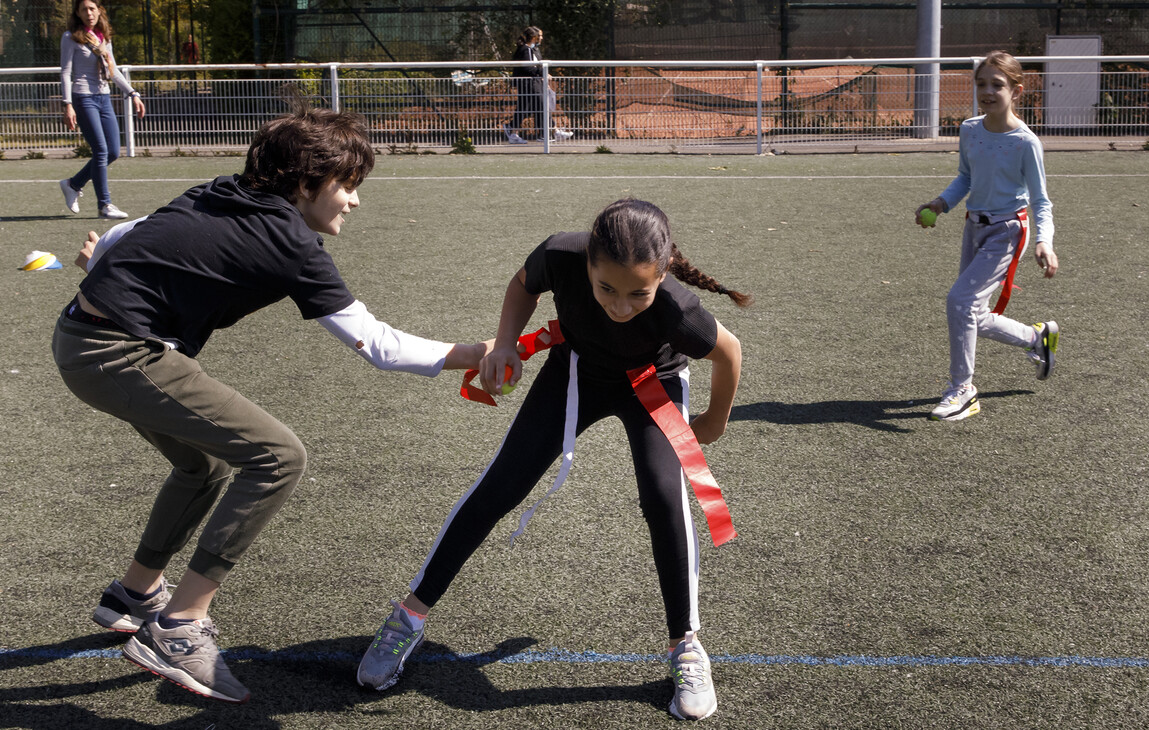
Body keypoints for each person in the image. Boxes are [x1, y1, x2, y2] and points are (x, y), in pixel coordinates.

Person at [53, 104, 490, 705]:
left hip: (83, 336)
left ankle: (132, 593)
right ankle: (179, 626)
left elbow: (131, 234)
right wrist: (477, 352)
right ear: (307, 184)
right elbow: (379, 346)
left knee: (201, 466)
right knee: (278, 456)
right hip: (117, 353)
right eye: (348, 186)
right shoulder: (292, 242)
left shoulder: (220, 190)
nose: (354, 202)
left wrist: (97, 262)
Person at [356, 199, 749, 721]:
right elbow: (522, 285)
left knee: (664, 497)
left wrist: (716, 419)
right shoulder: (561, 253)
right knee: (502, 484)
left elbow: (730, 351)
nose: (620, 305)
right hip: (576, 371)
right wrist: (503, 344)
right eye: (606, 288)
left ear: (663, 275)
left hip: (650, 385)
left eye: (639, 293)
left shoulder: (679, 308)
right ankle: (408, 616)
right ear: (587, 263)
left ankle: (686, 644)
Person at [914, 50, 1061, 422]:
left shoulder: (1026, 142)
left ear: (1017, 91)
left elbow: (1041, 200)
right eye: (981, 84)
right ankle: (1035, 338)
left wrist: (1045, 240)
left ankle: (962, 390)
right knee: (973, 313)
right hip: (974, 226)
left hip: (1008, 231)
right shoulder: (969, 129)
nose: (988, 91)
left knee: (959, 301)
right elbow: (965, 176)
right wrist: (942, 203)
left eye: (998, 85)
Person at [58, 0, 146, 220]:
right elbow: (65, 73)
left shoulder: (103, 38)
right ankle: (104, 204)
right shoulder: (70, 37)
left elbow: (114, 71)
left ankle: (73, 184)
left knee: (113, 151)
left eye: (92, 9)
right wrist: (67, 104)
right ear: (78, 13)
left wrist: (132, 93)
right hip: (83, 97)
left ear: (99, 11)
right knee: (100, 150)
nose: (89, 13)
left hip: (104, 97)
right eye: (84, 10)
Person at [503, 26, 573, 144]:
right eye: (540, 35)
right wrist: (542, 73)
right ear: (534, 37)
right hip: (528, 83)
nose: (542, 38)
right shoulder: (525, 49)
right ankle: (548, 132)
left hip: (536, 82)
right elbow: (528, 68)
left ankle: (546, 132)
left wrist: (543, 78)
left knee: (535, 107)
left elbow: (537, 67)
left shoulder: (534, 49)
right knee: (536, 105)